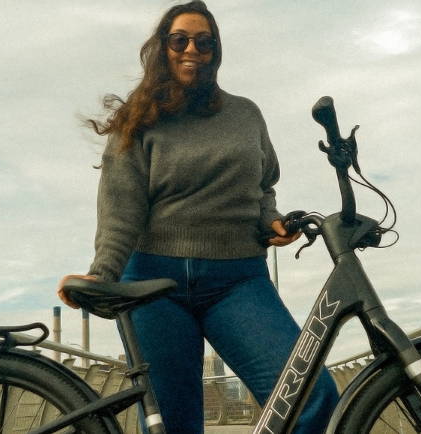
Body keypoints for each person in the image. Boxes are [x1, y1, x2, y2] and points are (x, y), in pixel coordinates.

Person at [58, 1, 339, 432]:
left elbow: (262, 186)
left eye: (204, 41)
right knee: (177, 424)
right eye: (180, 39)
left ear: (216, 51)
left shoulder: (245, 114)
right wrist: (102, 273)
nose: (193, 48)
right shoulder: (139, 120)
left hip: (238, 279)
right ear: (163, 48)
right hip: (153, 281)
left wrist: (272, 220)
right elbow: (121, 210)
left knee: (311, 395)